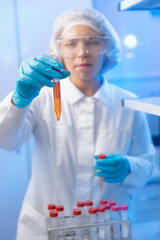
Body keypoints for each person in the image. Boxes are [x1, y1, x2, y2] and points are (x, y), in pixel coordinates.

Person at [0, 7, 155, 240]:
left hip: (109, 228)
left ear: (107, 48)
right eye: (71, 43)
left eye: (93, 42)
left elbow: (147, 163)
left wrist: (129, 167)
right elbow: (7, 141)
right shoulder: (42, 97)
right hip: (45, 229)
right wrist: (18, 100)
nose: (83, 52)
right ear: (58, 51)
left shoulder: (128, 103)